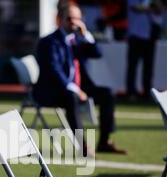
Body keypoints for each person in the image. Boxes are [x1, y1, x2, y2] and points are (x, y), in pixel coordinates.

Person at [33, 3, 127, 155]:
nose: (74, 22)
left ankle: (104, 141)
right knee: (71, 97)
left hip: (78, 87)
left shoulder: (77, 39)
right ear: (60, 19)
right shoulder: (49, 41)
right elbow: (53, 70)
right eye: (70, 18)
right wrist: (76, 90)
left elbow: (97, 53)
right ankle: (82, 145)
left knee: (107, 93)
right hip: (53, 91)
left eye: (78, 18)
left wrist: (86, 36)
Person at [125, 0, 163, 99]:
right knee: (132, 66)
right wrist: (151, 8)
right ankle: (131, 92)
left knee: (148, 68)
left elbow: (160, 10)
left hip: (149, 37)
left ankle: (147, 92)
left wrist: (154, 7)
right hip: (135, 35)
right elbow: (136, 8)